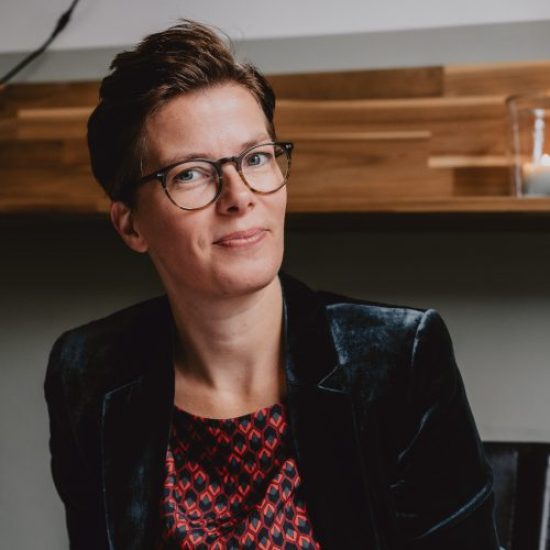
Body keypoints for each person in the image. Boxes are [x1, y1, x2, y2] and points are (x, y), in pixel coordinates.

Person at [44, 19, 500, 550]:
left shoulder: (398, 360)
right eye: (191, 172)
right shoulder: (88, 372)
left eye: (256, 158)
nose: (239, 196)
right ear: (130, 226)